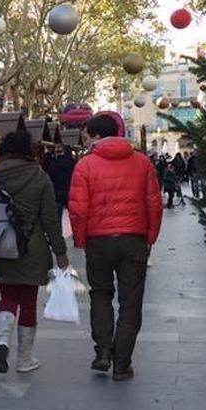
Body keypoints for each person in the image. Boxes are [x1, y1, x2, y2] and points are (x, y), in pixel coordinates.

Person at [69, 114, 162, 381]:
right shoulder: (142, 162)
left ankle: (102, 353)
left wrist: (81, 240)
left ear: (97, 134)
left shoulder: (85, 166)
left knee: (100, 295)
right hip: (134, 239)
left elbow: (77, 209)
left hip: (98, 240)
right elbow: (153, 203)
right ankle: (122, 364)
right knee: (130, 302)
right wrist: (150, 237)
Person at [0, 131, 69, 374]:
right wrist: (61, 253)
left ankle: (3, 342)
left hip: (3, 245)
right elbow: (49, 219)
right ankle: (24, 359)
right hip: (32, 247)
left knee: (8, 297)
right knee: (28, 302)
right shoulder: (39, 177)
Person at [47, 144, 76, 222]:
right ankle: (76, 233)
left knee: (57, 219)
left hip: (57, 194)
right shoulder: (74, 164)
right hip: (71, 193)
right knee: (75, 217)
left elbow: (49, 177)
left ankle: (58, 233)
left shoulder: (54, 164)